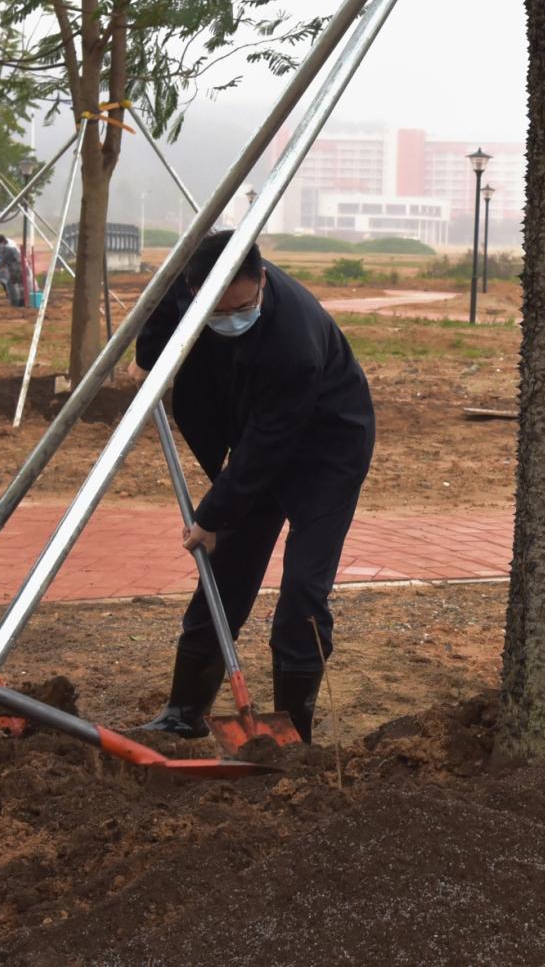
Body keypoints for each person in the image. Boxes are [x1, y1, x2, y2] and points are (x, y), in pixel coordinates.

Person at [135, 230, 374, 743]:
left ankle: (293, 729)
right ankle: (184, 710)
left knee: (303, 589)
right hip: (256, 433)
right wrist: (147, 359)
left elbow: (271, 443)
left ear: (261, 280)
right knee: (225, 574)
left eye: (241, 307)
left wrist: (213, 515)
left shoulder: (295, 341)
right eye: (215, 313)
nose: (229, 320)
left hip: (325, 451)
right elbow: (160, 333)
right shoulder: (195, 288)